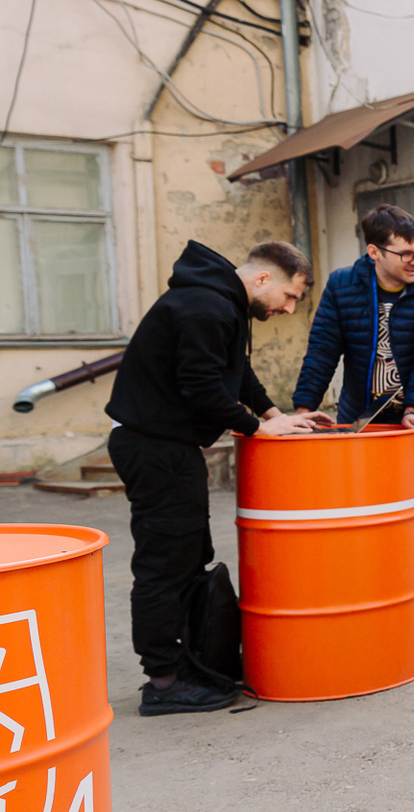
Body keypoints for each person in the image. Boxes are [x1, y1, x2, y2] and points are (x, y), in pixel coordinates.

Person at [106, 240, 319, 716]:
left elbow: (234, 371)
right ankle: (163, 681)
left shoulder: (219, 301)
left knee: (188, 555)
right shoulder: (206, 306)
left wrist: (274, 414)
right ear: (263, 278)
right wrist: (256, 427)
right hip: (154, 446)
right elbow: (200, 386)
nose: (288, 309)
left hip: (169, 446)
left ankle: (190, 665)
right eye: (289, 296)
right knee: (165, 563)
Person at [292, 206, 414, 648]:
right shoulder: (343, 285)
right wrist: (303, 408)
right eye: (405, 254)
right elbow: (322, 349)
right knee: (376, 515)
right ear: (374, 252)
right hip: (366, 421)